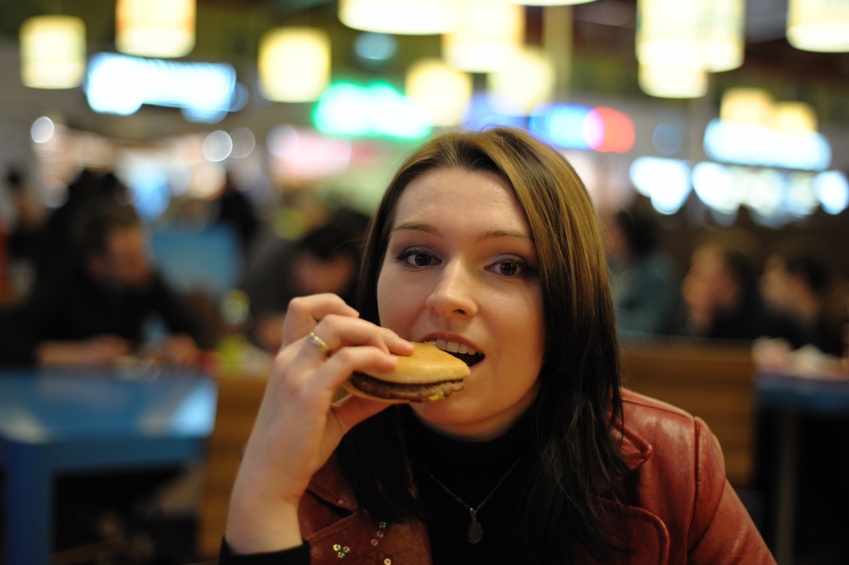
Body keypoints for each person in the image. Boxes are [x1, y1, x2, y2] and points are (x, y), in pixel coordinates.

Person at [221, 128, 774, 564]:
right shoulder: (308, 459)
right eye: (418, 256)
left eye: (507, 266)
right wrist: (266, 496)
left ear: (568, 296)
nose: (448, 296)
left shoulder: (673, 467)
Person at [2, 203, 210, 366]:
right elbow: (9, 341)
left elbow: (197, 330)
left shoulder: (143, 276)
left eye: (142, 254)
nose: (142, 265)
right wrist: (79, 355)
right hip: (59, 398)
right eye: (128, 259)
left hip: (126, 400)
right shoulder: (61, 279)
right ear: (96, 265)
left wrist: (186, 344)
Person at [239, 208, 370, 352]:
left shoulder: (360, 291)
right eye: (302, 263)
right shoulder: (274, 267)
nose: (301, 275)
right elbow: (259, 326)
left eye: (311, 267)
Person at [676, 228, 770, 341]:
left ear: (730, 278)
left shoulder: (766, 313)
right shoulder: (692, 309)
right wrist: (700, 319)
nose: (692, 280)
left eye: (700, 273)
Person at [604, 203, 678, 340]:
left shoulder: (657, 273)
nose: (607, 236)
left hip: (650, 355)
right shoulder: (613, 267)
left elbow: (648, 327)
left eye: (614, 231)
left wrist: (604, 325)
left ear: (629, 235)